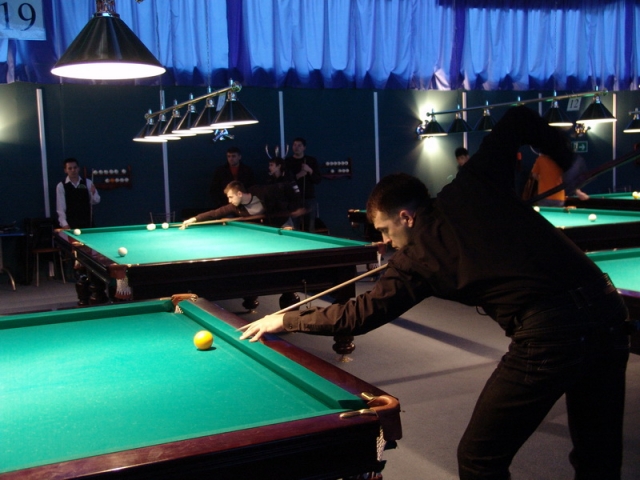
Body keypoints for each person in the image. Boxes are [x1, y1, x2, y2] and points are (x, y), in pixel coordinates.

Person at [239, 106, 631, 480]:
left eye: (385, 231)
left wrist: (285, 319)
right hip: (608, 309)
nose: (386, 242)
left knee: (479, 458)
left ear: (405, 216)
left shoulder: (416, 261)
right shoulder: (473, 182)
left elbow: (358, 315)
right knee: (598, 453)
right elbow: (517, 119)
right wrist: (568, 160)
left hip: (549, 333)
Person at [183, 181, 264, 227]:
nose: (229, 201)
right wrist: (194, 219)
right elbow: (215, 213)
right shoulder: (234, 207)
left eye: (231, 197)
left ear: (239, 194)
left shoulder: (261, 193)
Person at [285, 137, 322, 231]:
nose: (296, 147)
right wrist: (299, 175)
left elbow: (318, 180)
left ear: (304, 147)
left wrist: (309, 170)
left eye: (299, 145)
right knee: (294, 227)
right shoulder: (288, 162)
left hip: (309, 198)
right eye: (294, 145)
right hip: (293, 200)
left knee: (310, 227)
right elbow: (286, 181)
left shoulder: (311, 161)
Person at [56, 158, 100, 229]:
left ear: (78, 168)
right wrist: (64, 224)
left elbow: (96, 201)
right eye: (70, 168)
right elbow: (60, 208)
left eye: (75, 167)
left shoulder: (88, 182)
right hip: (70, 223)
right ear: (65, 170)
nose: (73, 170)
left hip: (87, 222)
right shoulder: (61, 186)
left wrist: (93, 193)